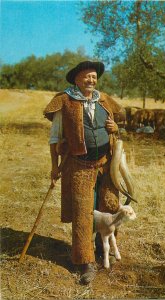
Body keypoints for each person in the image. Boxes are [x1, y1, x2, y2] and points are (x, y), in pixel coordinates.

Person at [43, 61, 122, 285]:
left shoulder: (104, 100)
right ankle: (85, 262)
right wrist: (54, 165)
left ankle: (103, 250)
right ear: (76, 79)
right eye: (87, 76)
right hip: (78, 166)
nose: (91, 80)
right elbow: (54, 138)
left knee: (109, 206)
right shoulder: (64, 101)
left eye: (94, 77)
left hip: (106, 165)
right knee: (82, 215)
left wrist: (115, 129)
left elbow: (117, 122)